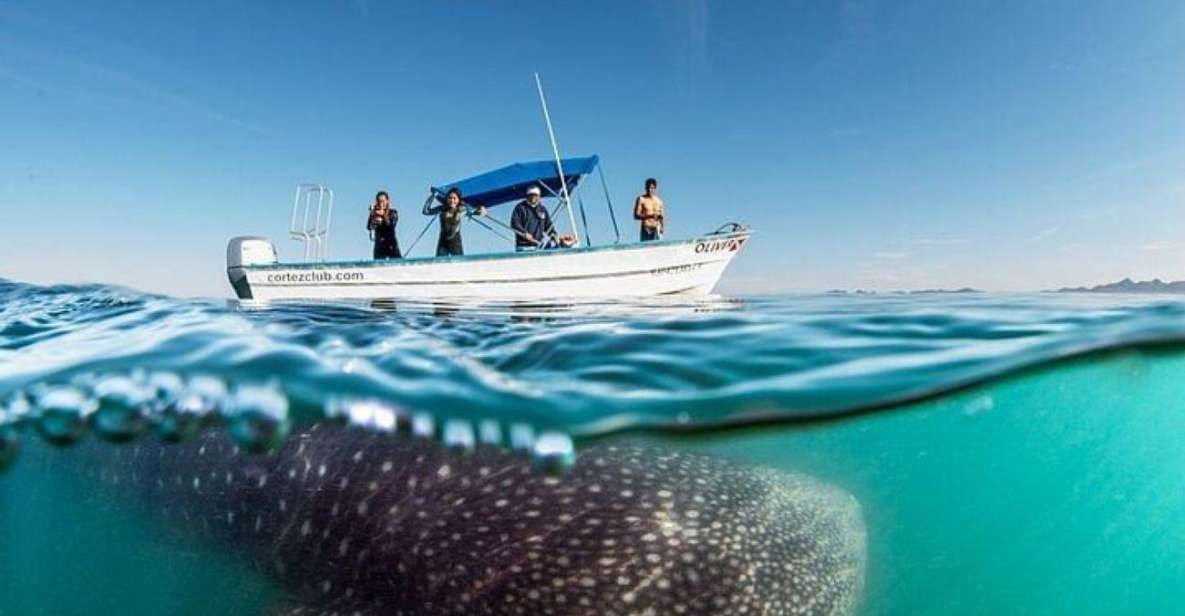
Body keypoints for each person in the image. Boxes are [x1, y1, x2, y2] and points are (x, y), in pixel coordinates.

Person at [423, 187, 485, 257]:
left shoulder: (462, 209)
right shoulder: (442, 209)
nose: (452, 200)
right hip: (443, 242)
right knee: (440, 263)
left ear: (458, 200)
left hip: (455, 242)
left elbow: (476, 211)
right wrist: (432, 196)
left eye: (454, 198)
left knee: (459, 263)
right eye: (450, 198)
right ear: (447, 199)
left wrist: (481, 210)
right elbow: (426, 211)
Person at [510, 185, 560, 251]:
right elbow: (514, 223)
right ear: (527, 196)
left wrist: (554, 234)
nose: (533, 197)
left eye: (535, 195)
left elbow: (548, 225)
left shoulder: (542, 209)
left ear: (539, 196)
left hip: (540, 246)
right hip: (524, 247)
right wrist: (524, 233)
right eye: (531, 195)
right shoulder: (520, 208)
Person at [367, 191, 401, 259]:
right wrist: (372, 215)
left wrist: (383, 215)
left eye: (383, 201)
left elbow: (391, 224)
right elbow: (369, 227)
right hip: (379, 247)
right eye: (379, 201)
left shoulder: (393, 212)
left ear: (387, 201)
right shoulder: (374, 214)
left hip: (391, 246)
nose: (381, 204)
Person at [633, 177, 665, 241]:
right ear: (645, 188)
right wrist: (650, 216)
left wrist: (662, 227)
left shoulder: (659, 201)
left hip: (657, 228)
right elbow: (636, 215)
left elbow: (662, 216)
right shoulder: (641, 199)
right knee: (646, 249)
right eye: (648, 188)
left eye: (652, 188)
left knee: (658, 248)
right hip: (646, 229)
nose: (650, 190)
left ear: (655, 189)